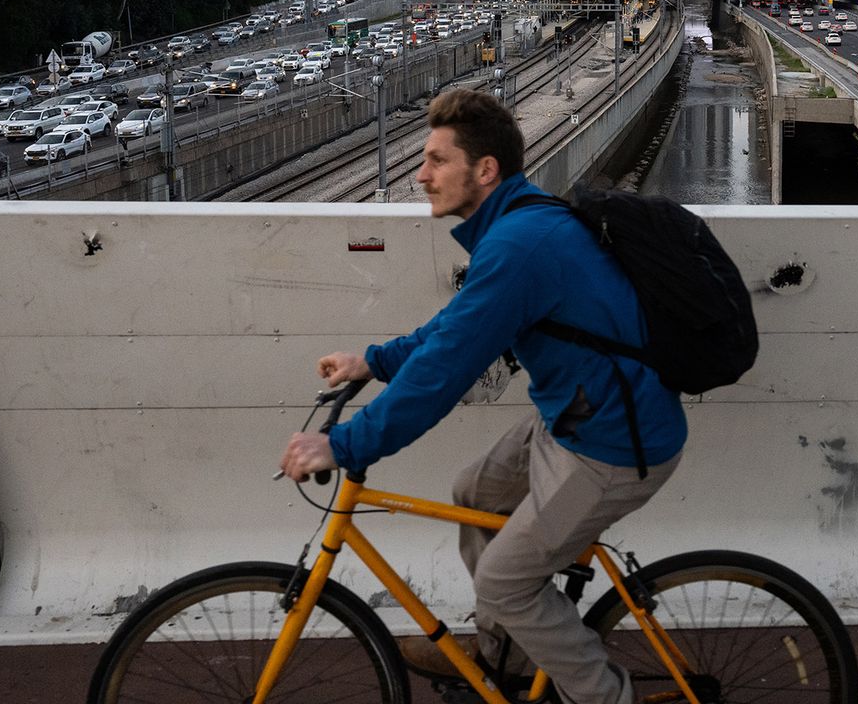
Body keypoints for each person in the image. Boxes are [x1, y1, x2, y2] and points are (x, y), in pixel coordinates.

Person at [279, 87, 685, 704]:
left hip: (612, 443)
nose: (421, 175)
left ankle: (605, 697)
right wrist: (376, 360)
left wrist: (345, 443)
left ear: (485, 170)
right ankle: (505, 655)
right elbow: (459, 327)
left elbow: (445, 371)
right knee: (477, 493)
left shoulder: (520, 245)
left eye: (437, 160)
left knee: (505, 584)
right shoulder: (518, 228)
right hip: (579, 415)